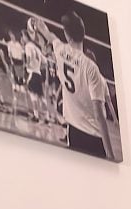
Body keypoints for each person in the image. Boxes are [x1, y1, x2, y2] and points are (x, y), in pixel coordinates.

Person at [49, 12, 118, 161]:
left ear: (68, 36)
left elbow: (51, 36)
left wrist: (39, 27)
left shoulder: (60, 50)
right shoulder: (90, 68)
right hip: (93, 135)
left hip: (74, 130)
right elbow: (100, 115)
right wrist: (110, 155)